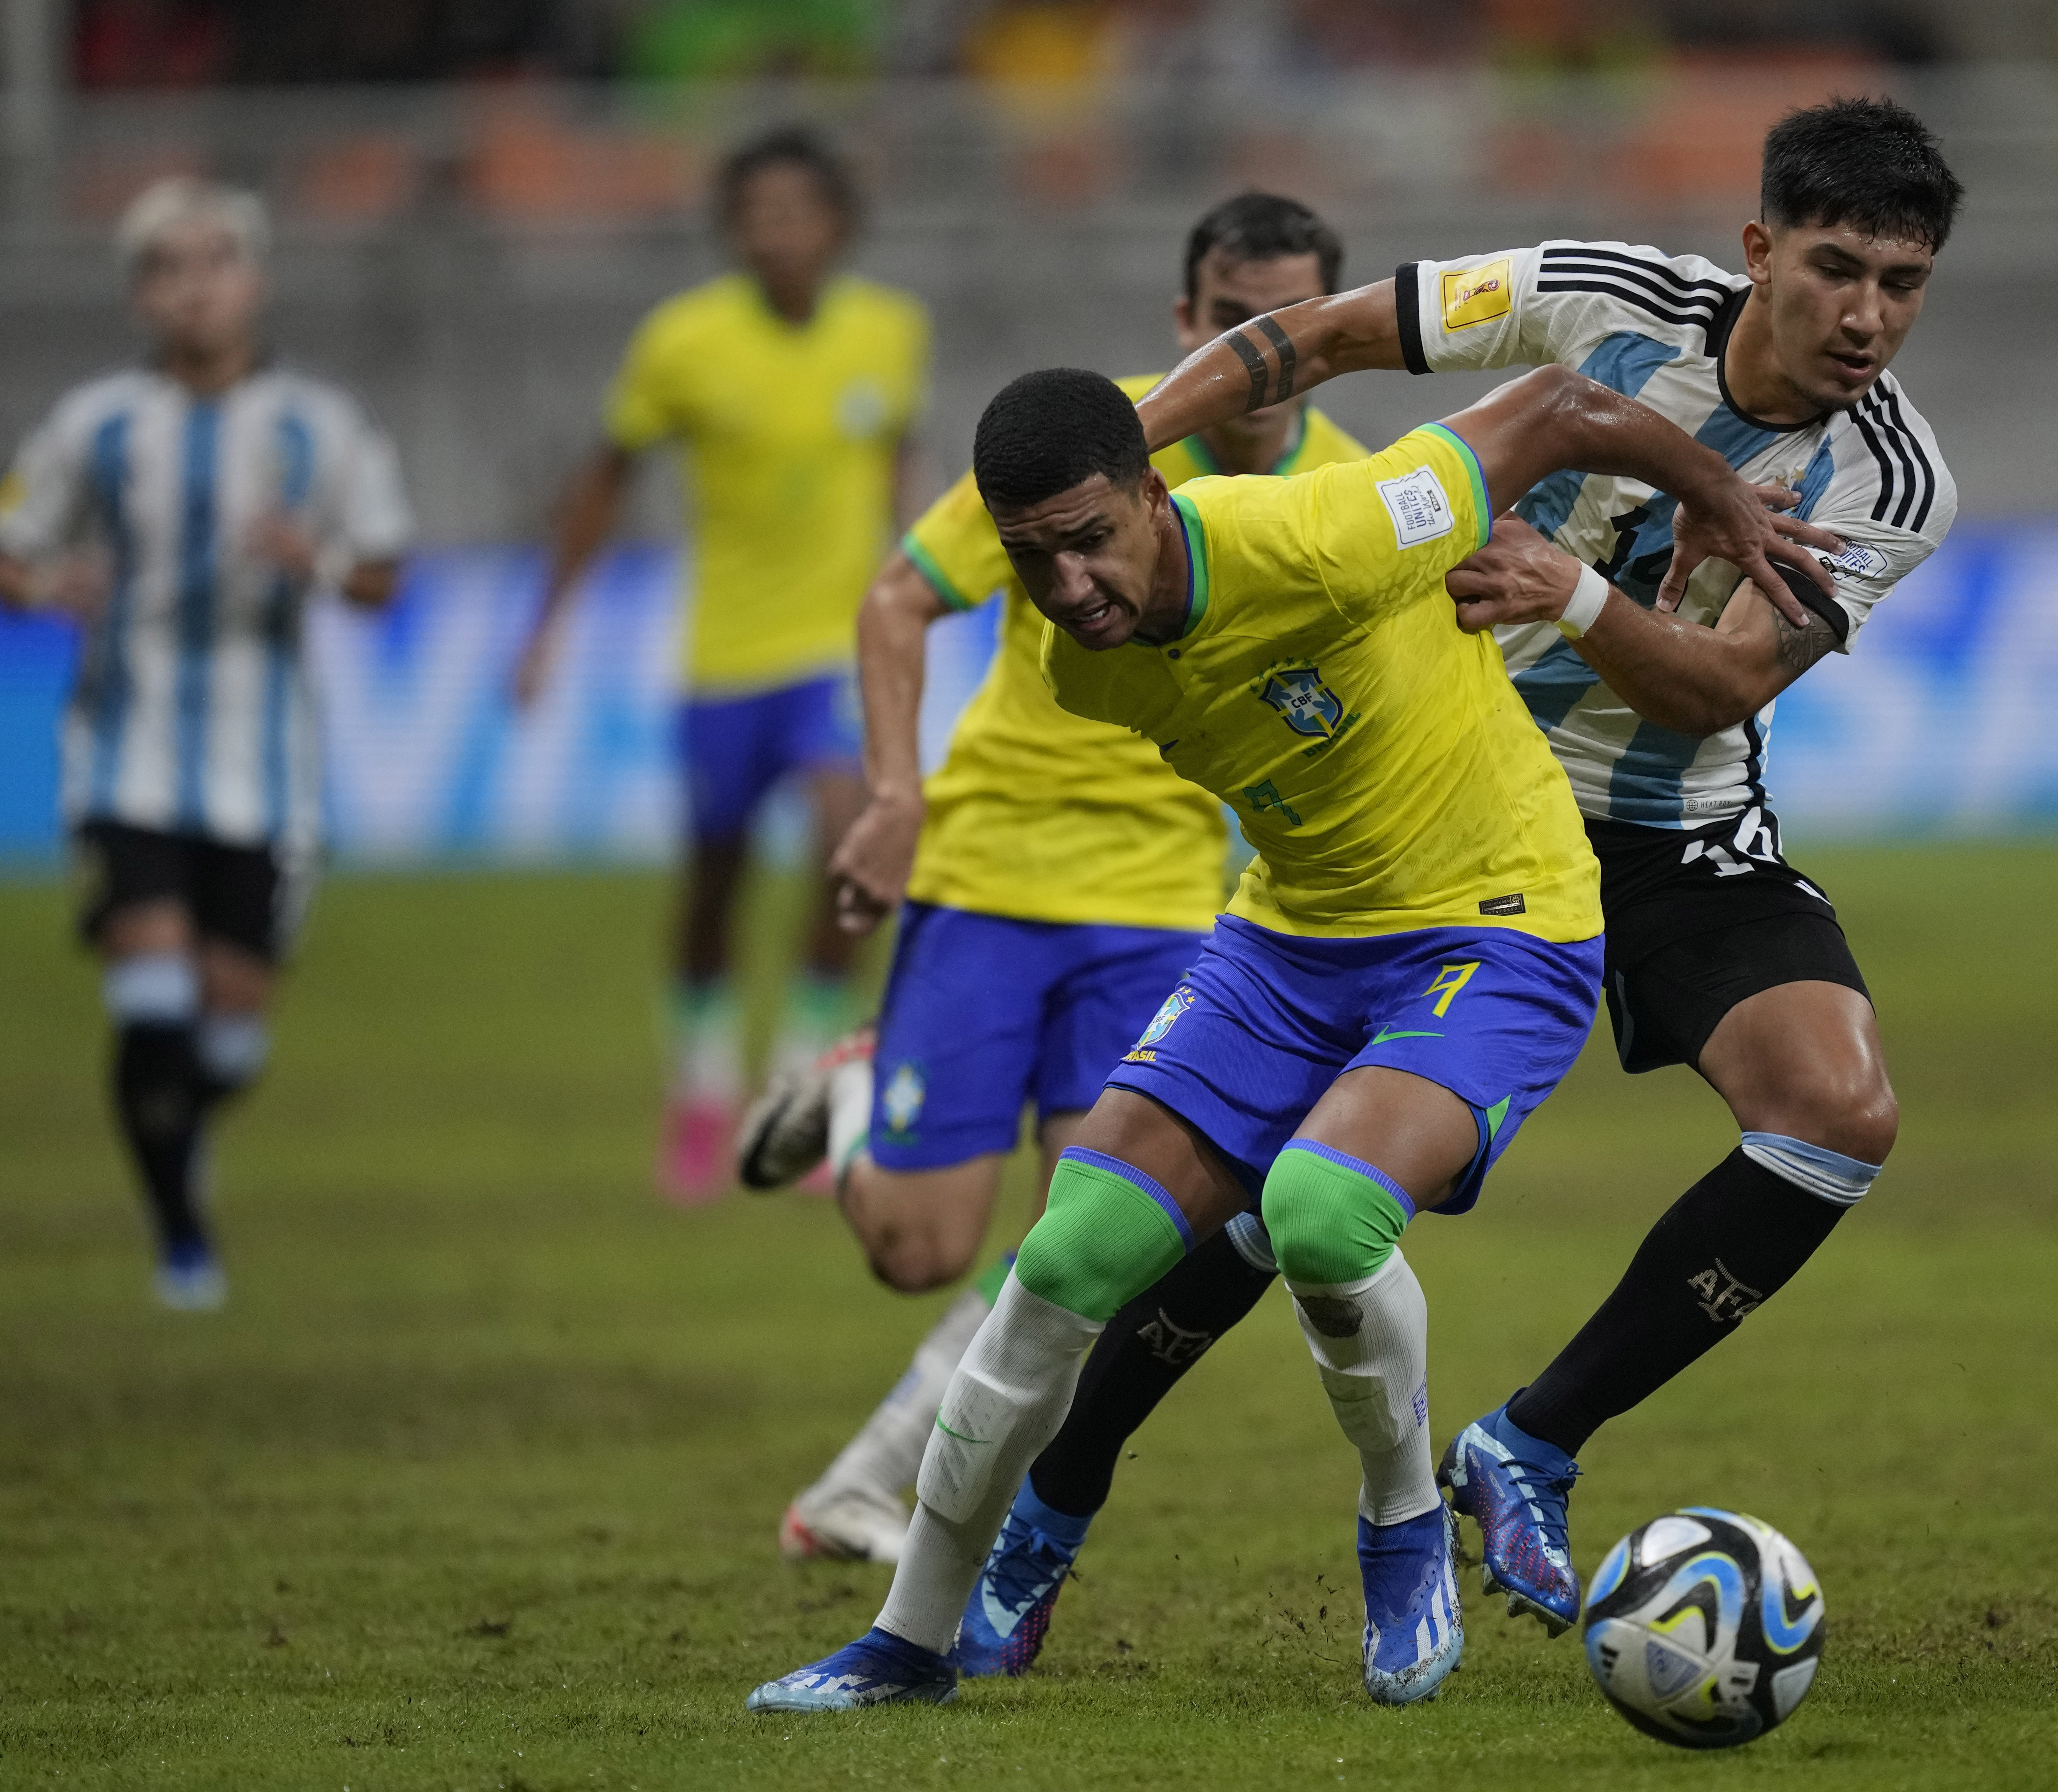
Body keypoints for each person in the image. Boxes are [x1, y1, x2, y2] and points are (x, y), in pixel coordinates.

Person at [940, 94, 1964, 1663]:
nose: (1865, 317)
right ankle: (1054, 1502)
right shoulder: (1599, 296)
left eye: (1902, 284)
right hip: (1424, 817)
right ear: (1759, 249)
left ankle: (1529, 1442)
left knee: (1836, 1108)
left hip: (1665, 818)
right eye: (1836, 268)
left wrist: (1566, 589)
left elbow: (1713, 690)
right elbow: (1327, 334)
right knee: (1248, 1206)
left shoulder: (1889, 478)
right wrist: (1115, 467)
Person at [742, 353, 1803, 1713]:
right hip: (1284, 945)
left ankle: (1400, 1524)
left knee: (1318, 1214)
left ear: (1149, 493)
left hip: (1497, 923)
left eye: (1088, 542)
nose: (1066, 587)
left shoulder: (1326, 530)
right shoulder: (1091, 669)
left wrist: (1714, 495)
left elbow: (1548, 407)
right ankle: (904, 1640)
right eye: (1029, 558)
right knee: (1064, 1256)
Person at [733, 193, 1367, 1570]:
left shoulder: (1348, 487)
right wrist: (897, 795)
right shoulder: (1091, 447)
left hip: (1160, 905)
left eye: (1296, 327)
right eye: (1234, 322)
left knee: (1100, 1247)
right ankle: (854, 1099)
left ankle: (878, 1490)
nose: (1267, 355)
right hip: (994, 869)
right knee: (916, 1247)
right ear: (1185, 324)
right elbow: (896, 598)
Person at [0, 177, 411, 1309]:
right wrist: (45, 582)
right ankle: (183, 1237)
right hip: (124, 746)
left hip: (267, 769)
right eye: (167, 269)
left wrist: (312, 563)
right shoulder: (94, 425)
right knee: (148, 996)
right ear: (142, 295)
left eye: (214, 262)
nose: (193, 288)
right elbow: (11, 545)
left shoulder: (318, 428)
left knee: (224, 1043)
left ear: (255, 278)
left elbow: (384, 570)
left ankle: (180, 1132)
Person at [512, 124, 933, 1202]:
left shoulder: (888, 332)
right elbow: (607, 478)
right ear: (731, 231)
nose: (776, 233)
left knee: (853, 842)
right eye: (757, 216)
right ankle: (701, 1081)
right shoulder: (683, 343)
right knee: (715, 879)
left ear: (836, 226)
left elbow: (899, 465)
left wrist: (933, 587)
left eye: (795, 213)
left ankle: (797, 1078)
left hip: (833, 645)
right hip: (720, 657)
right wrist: (546, 624)